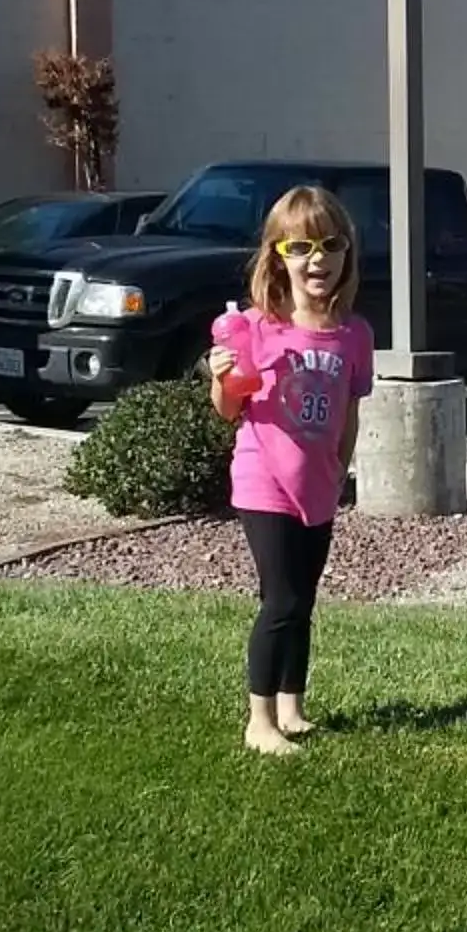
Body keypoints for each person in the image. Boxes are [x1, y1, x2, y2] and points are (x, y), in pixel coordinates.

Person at [206, 186, 374, 756]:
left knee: (303, 599)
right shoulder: (256, 328)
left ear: (347, 253)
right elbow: (231, 409)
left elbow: (348, 415)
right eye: (300, 247)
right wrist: (221, 377)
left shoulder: (355, 334)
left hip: (318, 482)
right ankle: (259, 722)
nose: (317, 259)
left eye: (331, 244)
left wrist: (340, 471)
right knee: (279, 600)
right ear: (277, 256)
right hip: (264, 481)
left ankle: (291, 706)